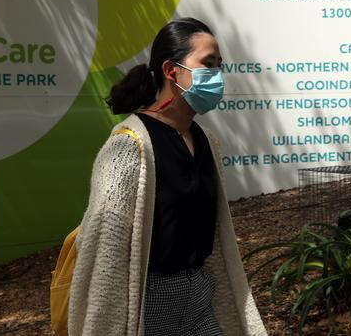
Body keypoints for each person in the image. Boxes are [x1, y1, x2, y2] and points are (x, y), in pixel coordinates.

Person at [68, 17, 268, 336]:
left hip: (202, 298)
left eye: (219, 65)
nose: (216, 75)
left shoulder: (207, 141)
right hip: (151, 306)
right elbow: (106, 250)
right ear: (171, 71)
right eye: (207, 64)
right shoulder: (128, 146)